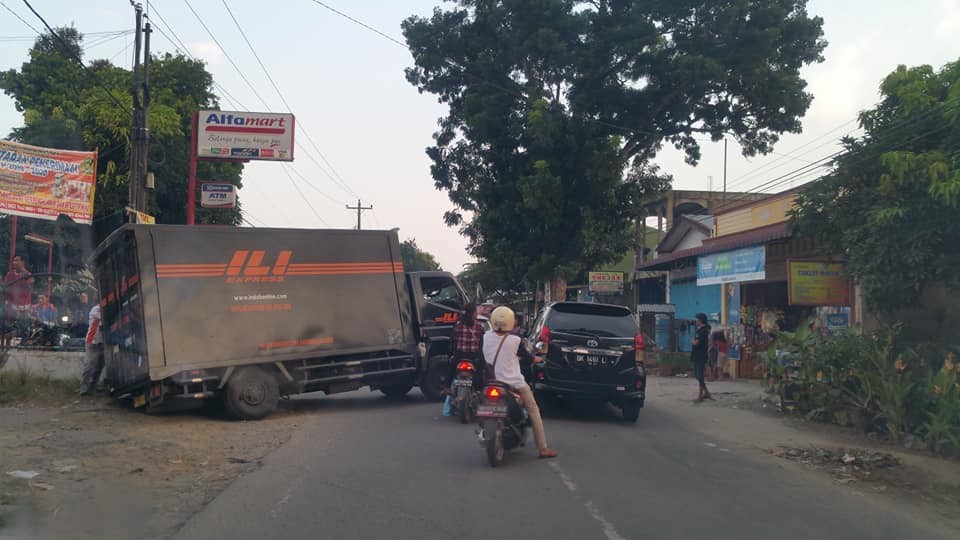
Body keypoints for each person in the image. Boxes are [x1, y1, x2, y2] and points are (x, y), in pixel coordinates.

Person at [484, 306, 558, 459]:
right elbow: (527, 357)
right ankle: (542, 448)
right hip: (513, 383)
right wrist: (537, 359)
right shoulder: (515, 340)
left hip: (490, 381)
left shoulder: (486, 336)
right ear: (511, 322)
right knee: (533, 409)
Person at [443, 302, 485, 399]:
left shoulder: (458, 324)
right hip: (473, 357)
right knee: (480, 372)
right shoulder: (479, 326)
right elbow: (482, 344)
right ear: (474, 313)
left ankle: (446, 387)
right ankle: (479, 391)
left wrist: (451, 355)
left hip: (460, 356)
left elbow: (453, 341)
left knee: (452, 368)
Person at [3, 255, 34, 349]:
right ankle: (6, 346)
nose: (14, 262)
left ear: (22, 262)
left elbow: (31, 284)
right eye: (14, 261)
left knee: (24, 328)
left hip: (24, 306)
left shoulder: (28, 274)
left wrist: (24, 274)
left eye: (17, 260)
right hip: (12, 305)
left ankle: (23, 345)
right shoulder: (10, 274)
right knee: (6, 325)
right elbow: (6, 287)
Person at [79, 297, 104, 396]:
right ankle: (84, 389)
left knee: (100, 366)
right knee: (89, 365)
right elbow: (105, 319)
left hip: (102, 342)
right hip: (92, 342)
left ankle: (93, 387)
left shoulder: (101, 309)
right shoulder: (96, 309)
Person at [691, 313, 712, 402]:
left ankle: (701, 395)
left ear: (700, 320)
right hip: (696, 355)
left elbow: (696, 343)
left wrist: (693, 341)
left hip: (701, 355)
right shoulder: (699, 330)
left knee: (699, 375)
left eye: (697, 319)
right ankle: (706, 392)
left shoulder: (704, 331)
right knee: (697, 374)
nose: (695, 321)